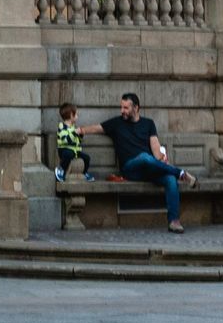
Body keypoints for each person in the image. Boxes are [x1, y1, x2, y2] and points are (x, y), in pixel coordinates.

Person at [78, 94, 198, 234]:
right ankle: (181, 173)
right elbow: (96, 128)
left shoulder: (148, 124)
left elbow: (155, 148)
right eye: (121, 107)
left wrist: (161, 157)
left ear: (136, 108)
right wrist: (80, 130)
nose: (122, 110)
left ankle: (174, 221)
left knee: (170, 179)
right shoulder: (117, 123)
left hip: (150, 169)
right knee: (144, 157)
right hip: (130, 170)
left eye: (126, 107)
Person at [53, 103, 92, 182]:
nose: (77, 116)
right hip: (64, 150)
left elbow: (77, 141)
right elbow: (65, 140)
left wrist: (80, 135)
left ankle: (84, 173)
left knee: (87, 158)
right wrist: (74, 133)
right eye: (76, 114)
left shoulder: (73, 127)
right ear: (71, 115)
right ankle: (61, 170)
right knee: (68, 154)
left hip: (75, 150)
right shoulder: (62, 127)